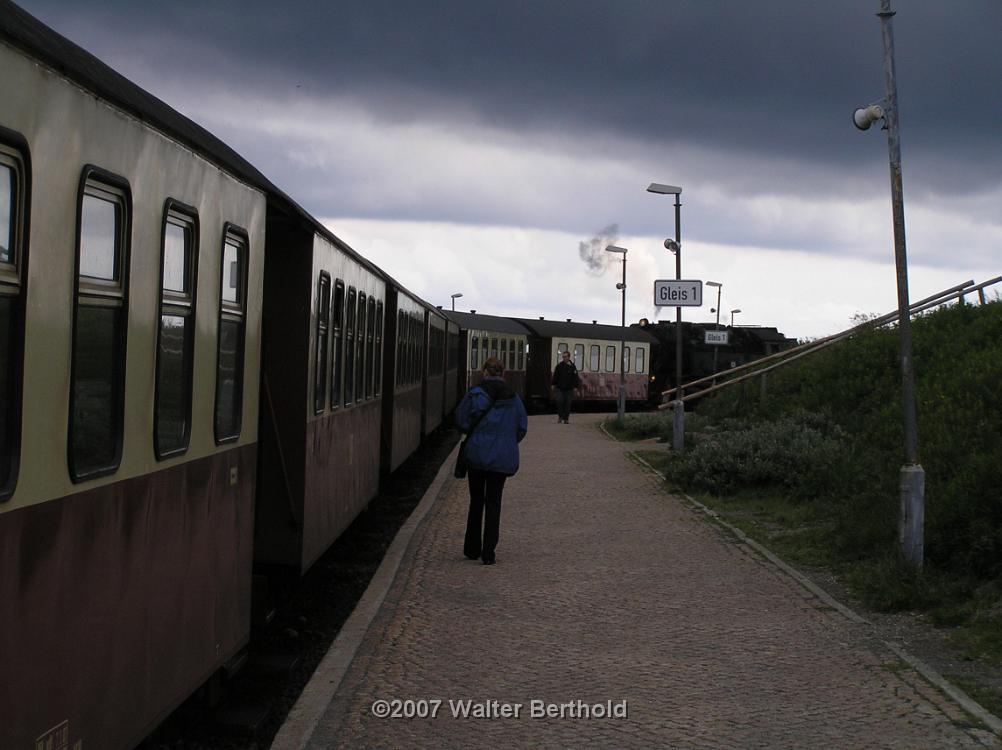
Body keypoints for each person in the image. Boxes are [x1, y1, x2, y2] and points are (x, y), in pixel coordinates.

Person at [454, 357, 528, 565]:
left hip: (477, 455)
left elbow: (460, 420)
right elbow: (522, 426)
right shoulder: (513, 398)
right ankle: (489, 553)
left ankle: (472, 548)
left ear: (485, 372)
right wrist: (507, 442)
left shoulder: (475, 394)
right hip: (501, 459)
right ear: (502, 374)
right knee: (494, 503)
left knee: (476, 501)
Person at [550, 349, 581, 424]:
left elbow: (575, 378)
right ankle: (560, 417)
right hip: (560, 388)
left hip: (569, 389)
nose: (564, 358)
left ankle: (566, 418)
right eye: (563, 357)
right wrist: (553, 384)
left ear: (569, 357)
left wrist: (576, 387)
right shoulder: (559, 366)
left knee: (568, 404)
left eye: (565, 357)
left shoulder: (573, 367)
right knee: (559, 402)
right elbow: (555, 376)